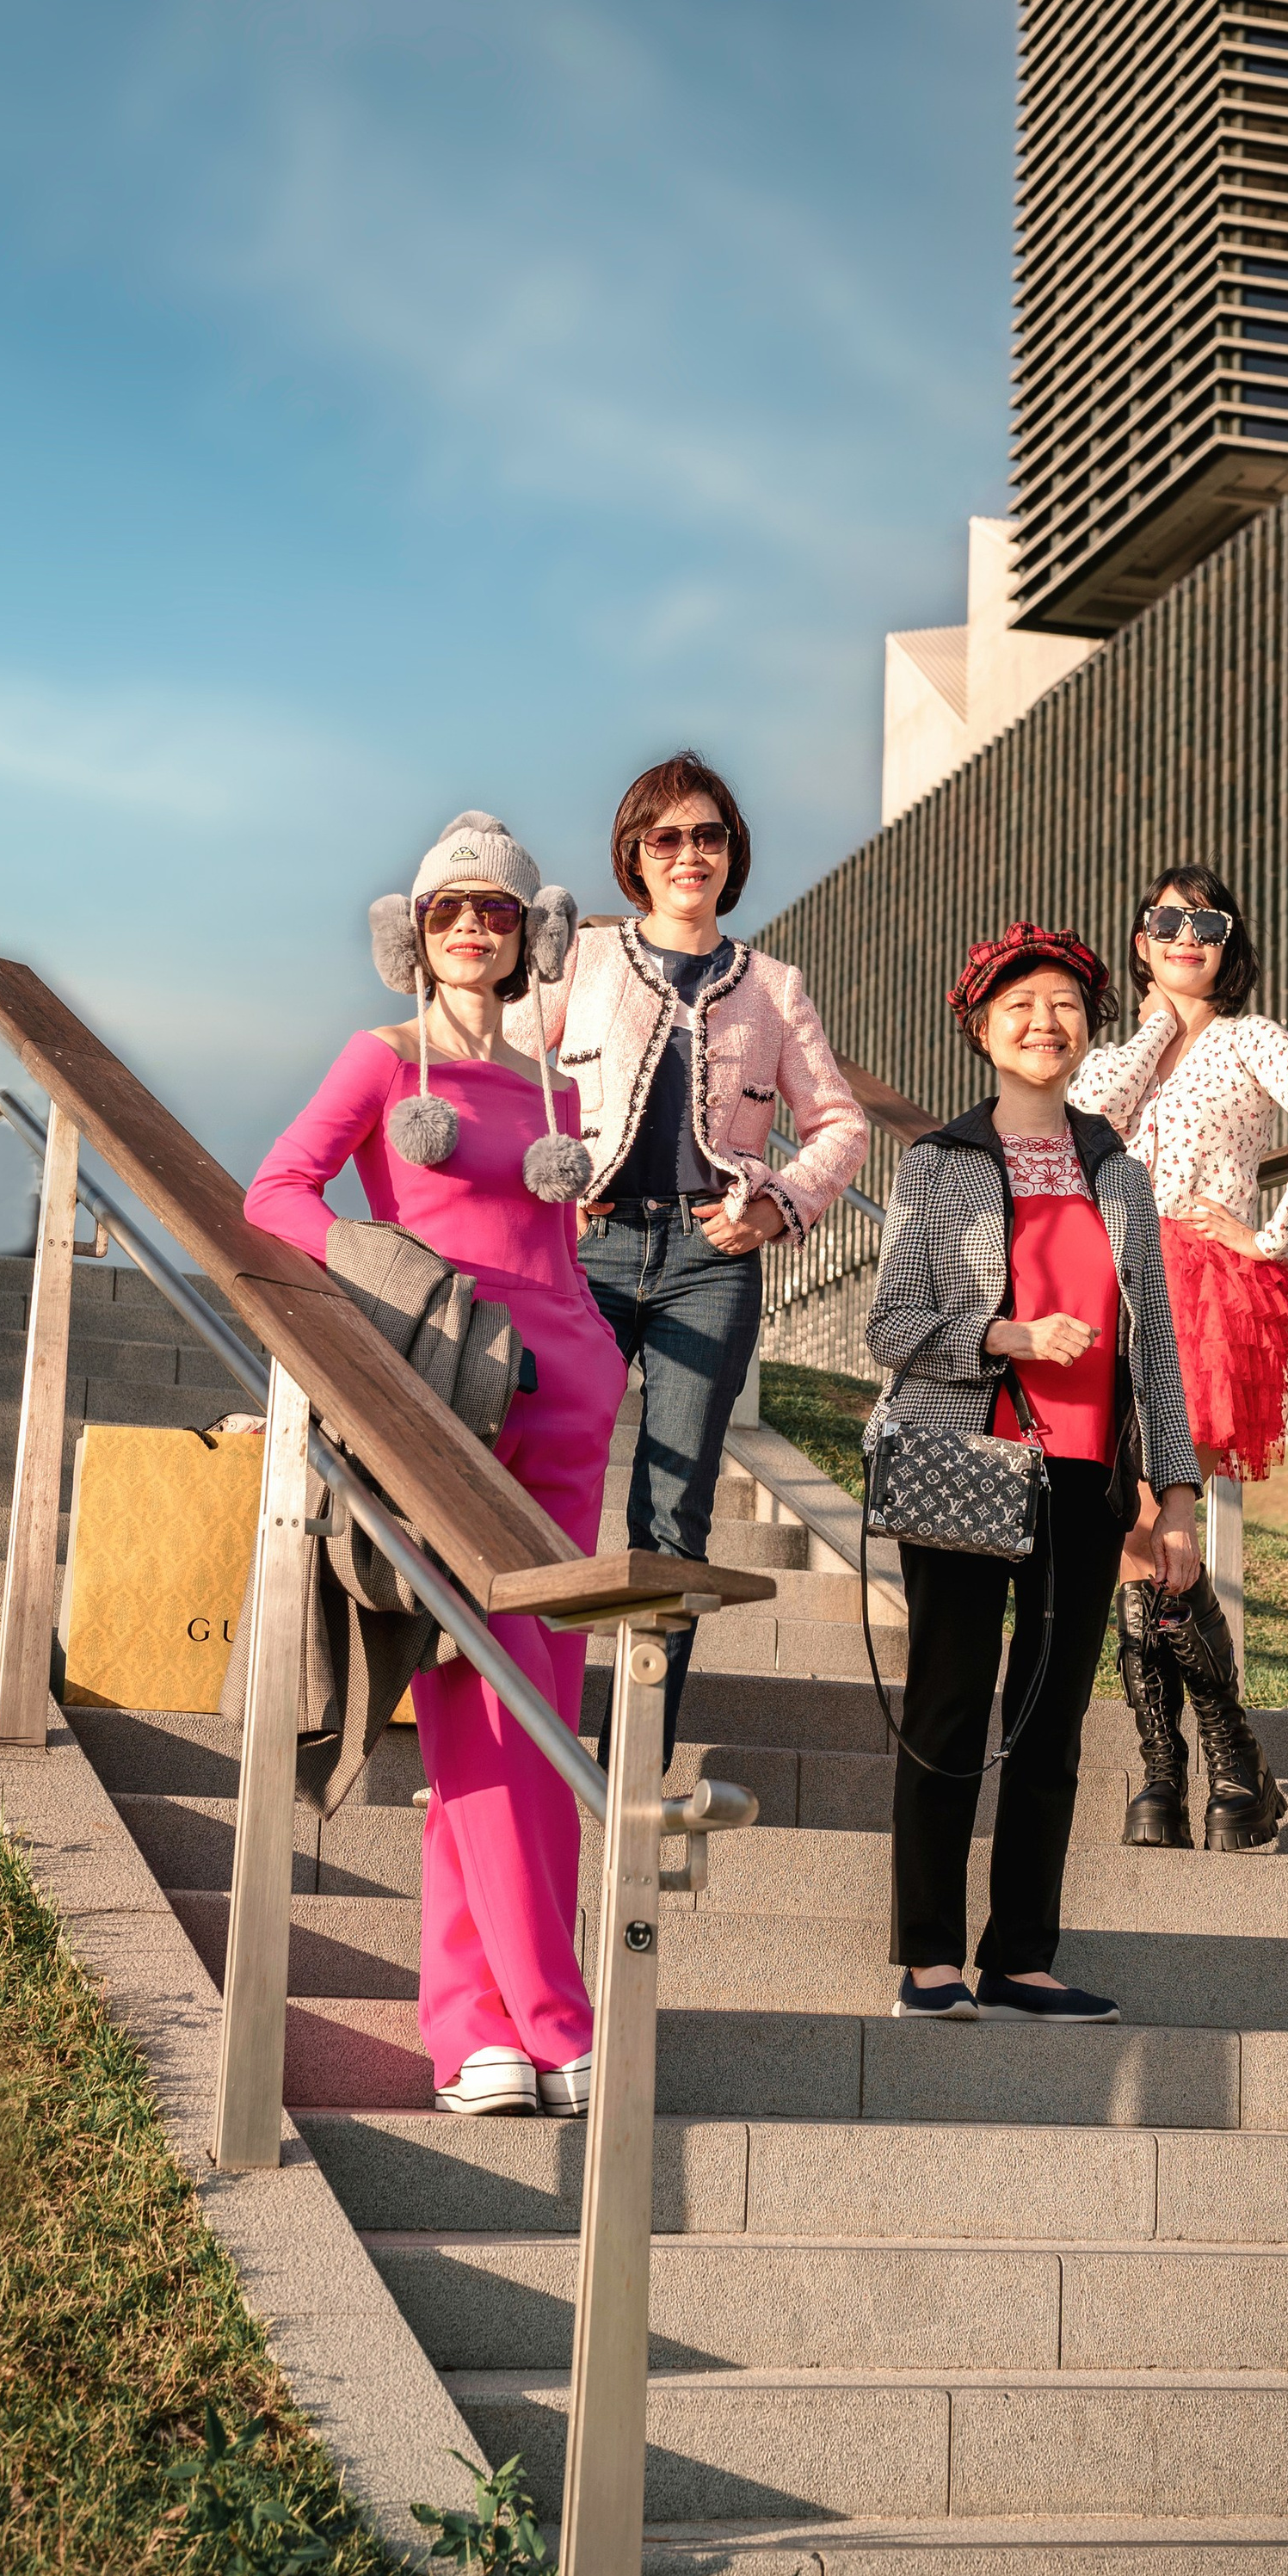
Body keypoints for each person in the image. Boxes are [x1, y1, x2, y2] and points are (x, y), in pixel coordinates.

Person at [243, 812, 627, 2123]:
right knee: (476, 1698)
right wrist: (399, 1282)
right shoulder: (381, 1060)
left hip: (574, 1412)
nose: (475, 928)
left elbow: (562, 1258)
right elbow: (276, 1195)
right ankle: (551, 2015)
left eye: (500, 913)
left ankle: (481, 2031)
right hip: (454, 1408)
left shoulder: (557, 1090)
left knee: (544, 1716)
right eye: (452, 909)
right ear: (414, 929)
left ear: (532, 935)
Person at [864, 921, 1205, 2024]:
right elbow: (890, 1325)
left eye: (1062, 1006)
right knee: (951, 1704)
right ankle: (928, 1956)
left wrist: (1179, 1490)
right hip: (968, 1458)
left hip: (1083, 1479)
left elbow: (1153, 1342)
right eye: (1019, 1006)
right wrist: (1004, 1337)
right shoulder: (938, 1164)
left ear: (1087, 1030)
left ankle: (1020, 1956)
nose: (1042, 1024)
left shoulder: (1119, 1169)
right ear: (979, 1028)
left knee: (1051, 1724)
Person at [531, 752, 866, 1762]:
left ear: (732, 855)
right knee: (546, 1483)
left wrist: (779, 1205)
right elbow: (503, 1072)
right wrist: (551, 1183)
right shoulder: (583, 961)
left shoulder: (772, 986)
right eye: (665, 837)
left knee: (673, 1507)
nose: (689, 854)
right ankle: (520, 1740)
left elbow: (841, 1126)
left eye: (708, 836)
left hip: (708, 1258)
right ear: (634, 854)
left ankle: (634, 1753)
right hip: (587, 1248)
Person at [1069, 862, 1288, 1852]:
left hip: (1198, 1285)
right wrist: (1156, 1019)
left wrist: (1271, 1234)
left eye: (1208, 923)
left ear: (1231, 944)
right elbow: (1083, 1124)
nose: (1187, 935)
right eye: (1165, 921)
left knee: (1160, 1516)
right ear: (1141, 937)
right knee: (1129, 1531)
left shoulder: (1249, 1039)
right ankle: (1204, 1770)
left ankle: (1201, 1772)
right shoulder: (1118, 1052)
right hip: (1105, 1288)